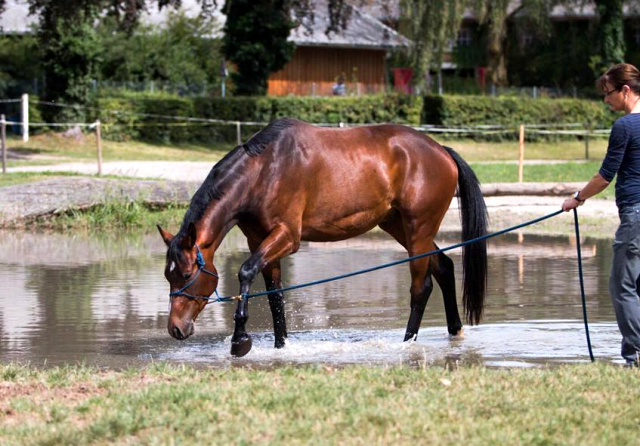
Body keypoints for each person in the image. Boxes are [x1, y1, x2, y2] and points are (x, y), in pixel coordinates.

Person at [562, 63, 640, 367]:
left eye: (608, 94)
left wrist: (577, 198)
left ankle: (635, 355)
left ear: (625, 90)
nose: (606, 100)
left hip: (635, 215)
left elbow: (606, 176)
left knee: (622, 286)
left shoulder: (625, 126)